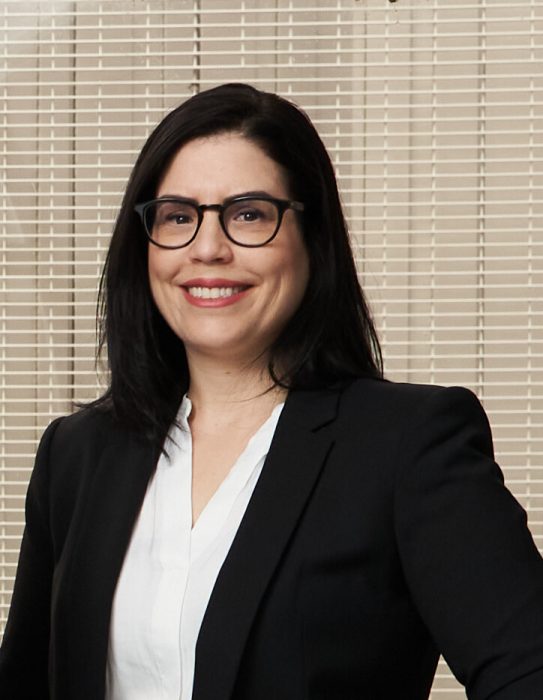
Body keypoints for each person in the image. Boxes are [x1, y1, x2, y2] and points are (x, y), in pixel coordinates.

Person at [1, 83, 542, 700]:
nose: (208, 248)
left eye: (249, 213)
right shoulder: (77, 454)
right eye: (178, 216)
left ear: (313, 240)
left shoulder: (406, 443)